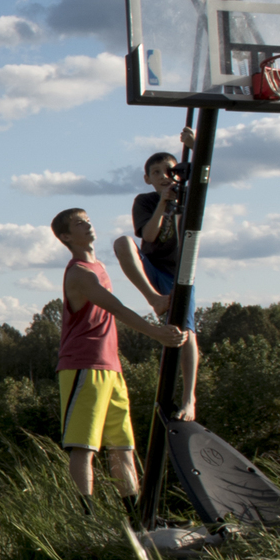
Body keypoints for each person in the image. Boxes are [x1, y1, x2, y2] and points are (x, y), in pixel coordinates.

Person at [53, 206, 190, 500]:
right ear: (66, 236)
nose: (88, 226)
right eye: (79, 224)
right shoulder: (78, 273)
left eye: (88, 220)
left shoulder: (99, 266)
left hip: (111, 368)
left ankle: (134, 520)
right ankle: (85, 520)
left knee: (123, 446)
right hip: (83, 365)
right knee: (83, 446)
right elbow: (114, 307)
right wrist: (156, 333)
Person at [110, 144, 199, 416]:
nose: (163, 176)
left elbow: (201, 173)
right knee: (123, 242)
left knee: (187, 335)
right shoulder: (145, 201)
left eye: (169, 171)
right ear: (147, 178)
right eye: (156, 172)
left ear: (178, 175)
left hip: (179, 272)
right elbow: (148, 236)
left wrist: (194, 145)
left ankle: (189, 399)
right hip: (152, 266)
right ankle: (154, 299)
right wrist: (163, 202)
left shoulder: (187, 196)